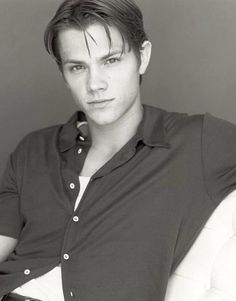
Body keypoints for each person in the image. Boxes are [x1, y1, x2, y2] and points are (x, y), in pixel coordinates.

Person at [0, 0, 236, 300]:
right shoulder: (33, 149)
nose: (95, 83)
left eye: (110, 60)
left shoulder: (198, 140)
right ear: (64, 75)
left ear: (143, 57)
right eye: (77, 67)